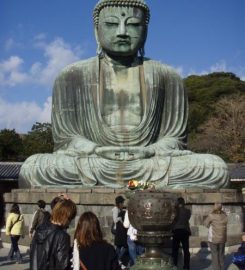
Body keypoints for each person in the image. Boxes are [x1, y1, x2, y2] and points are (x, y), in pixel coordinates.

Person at [20, 0, 229, 189]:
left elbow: (174, 139)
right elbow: (67, 139)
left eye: (133, 24)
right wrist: (95, 150)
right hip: (95, 161)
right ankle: (141, 186)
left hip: (150, 161)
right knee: (33, 168)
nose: (122, 32)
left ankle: (136, 183)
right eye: (111, 24)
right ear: (96, 31)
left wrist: (149, 151)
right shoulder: (71, 76)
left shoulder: (168, 76)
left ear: (145, 31)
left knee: (214, 168)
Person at [30, 198, 77, 270]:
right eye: (70, 218)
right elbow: (62, 266)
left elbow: (33, 256)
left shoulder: (39, 229)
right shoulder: (62, 236)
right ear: (66, 216)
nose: (69, 222)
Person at [204, 203, 228, 270]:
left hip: (213, 239)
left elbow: (205, 224)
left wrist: (210, 226)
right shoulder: (224, 215)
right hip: (222, 238)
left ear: (214, 207)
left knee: (215, 255)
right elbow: (226, 223)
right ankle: (222, 268)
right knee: (221, 255)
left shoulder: (211, 215)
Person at [172, 197, 191, 270]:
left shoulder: (174, 211)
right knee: (186, 250)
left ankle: (175, 265)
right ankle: (186, 266)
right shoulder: (188, 211)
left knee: (175, 250)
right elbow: (188, 218)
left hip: (176, 231)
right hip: (185, 231)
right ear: (183, 203)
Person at [112, 196, 128, 268]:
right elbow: (115, 220)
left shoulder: (120, 209)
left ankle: (116, 259)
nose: (123, 204)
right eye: (122, 202)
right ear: (119, 203)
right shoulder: (115, 209)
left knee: (119, 246)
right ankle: (117, 259)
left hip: (120, 230)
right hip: (118, 230)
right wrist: (121, 219)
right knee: (123, 245)